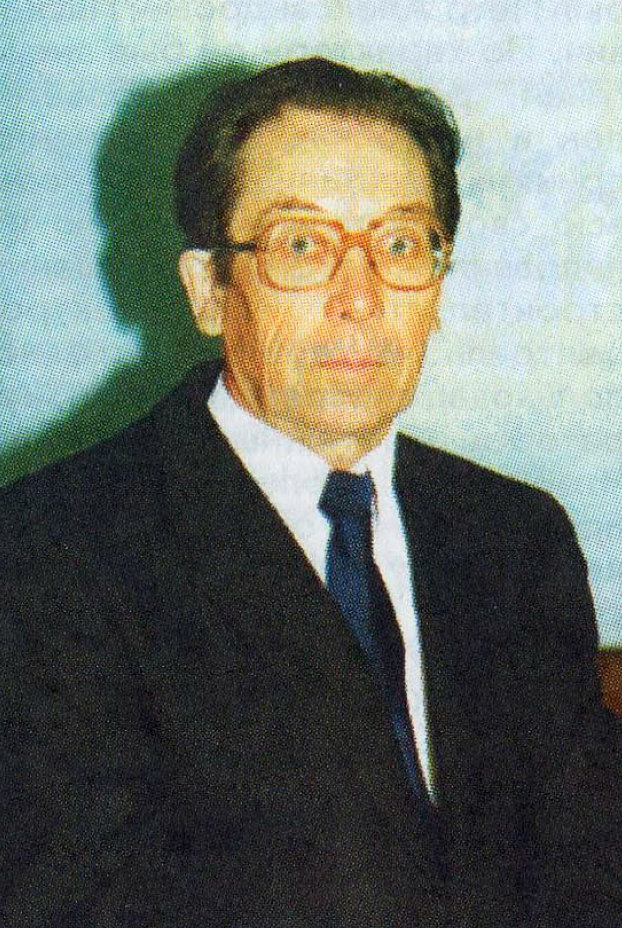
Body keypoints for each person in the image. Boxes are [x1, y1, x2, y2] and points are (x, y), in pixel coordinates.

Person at [1, 57, 621, 928]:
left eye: (399, 245)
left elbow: (588, 872)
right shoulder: (48, 555)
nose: (359, 298)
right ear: (208, 289)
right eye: (302, 245)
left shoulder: (515, 539)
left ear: (438, 283)